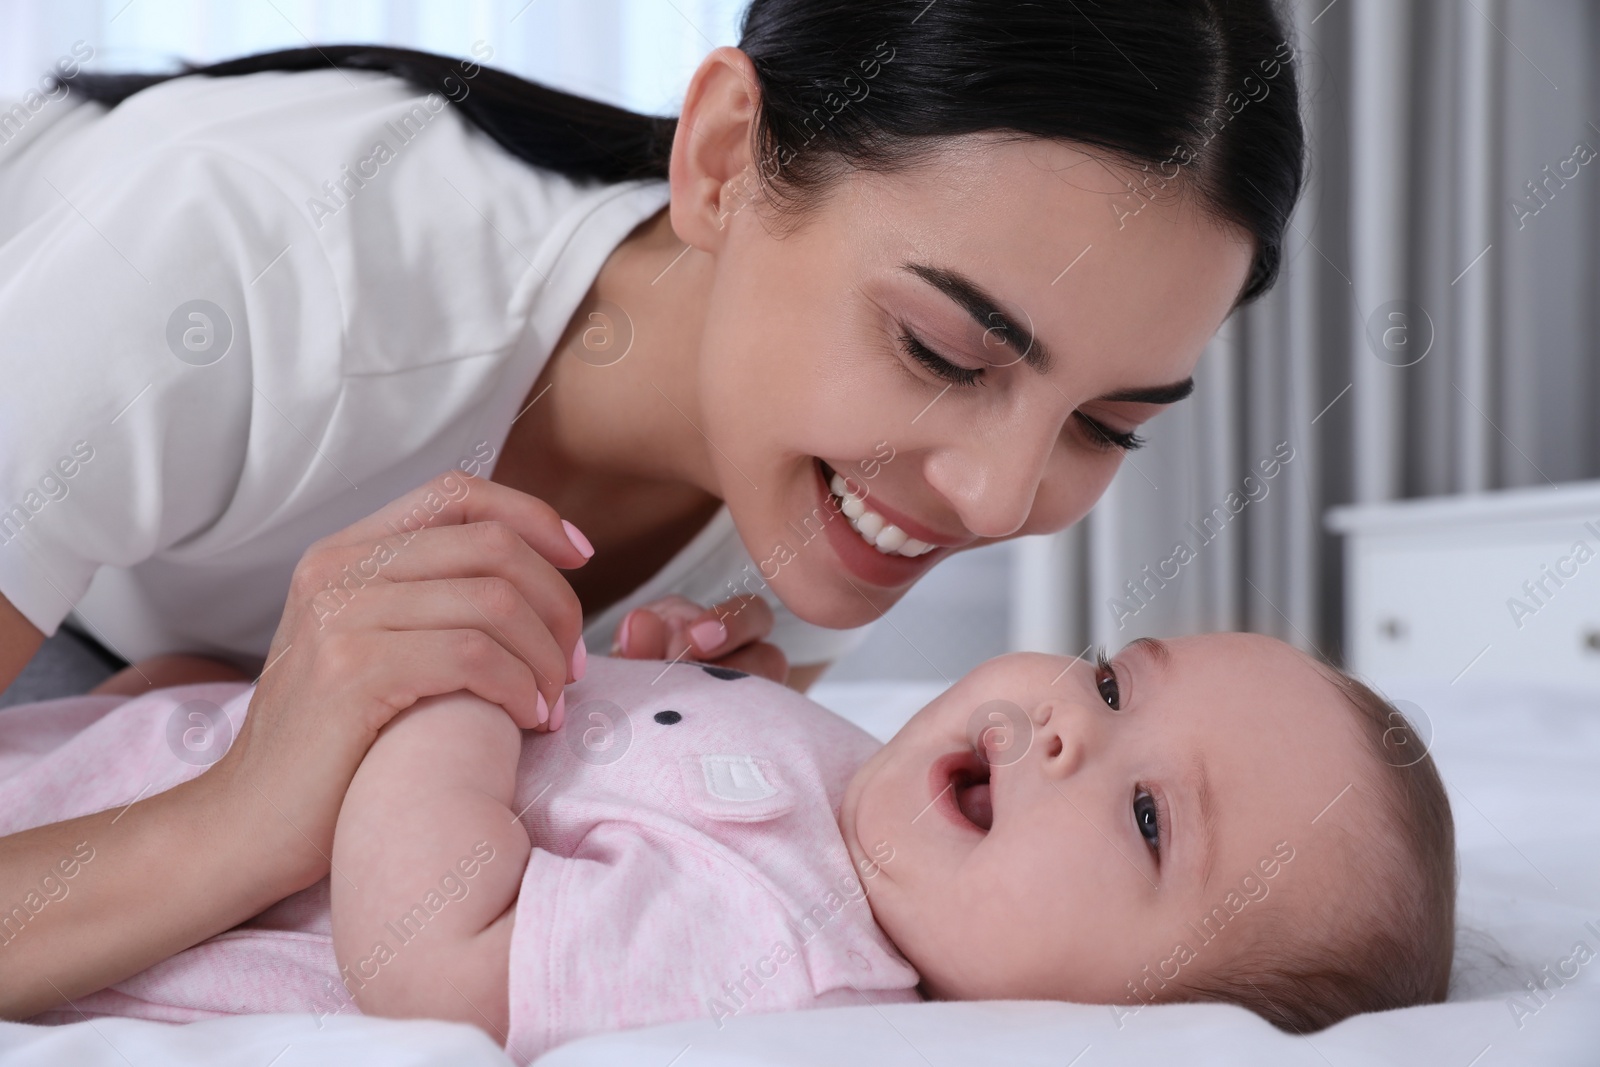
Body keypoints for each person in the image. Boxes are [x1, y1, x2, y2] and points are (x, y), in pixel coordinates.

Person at [0, 0, 1306, 1019]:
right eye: (943, 354)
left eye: (1104, 424)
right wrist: (243, 810)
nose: (996, 494)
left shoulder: (816, 503)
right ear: (727, 158)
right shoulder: (247, 253)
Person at [0, 634, 1454, 1060]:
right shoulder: (857, 795)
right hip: (136, 745)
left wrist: (460, 689)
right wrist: (673, 677)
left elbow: (431, 953)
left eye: (1148, 817)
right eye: (1115, 678)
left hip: (82, 884)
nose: (1070, 725)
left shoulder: (794, 964)